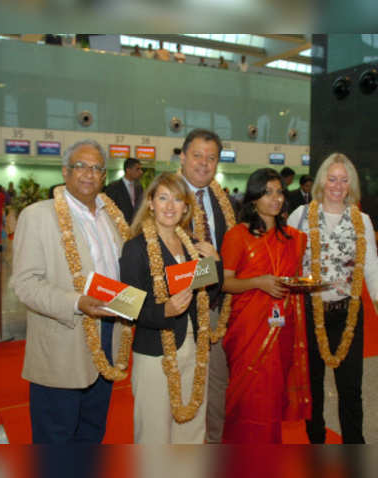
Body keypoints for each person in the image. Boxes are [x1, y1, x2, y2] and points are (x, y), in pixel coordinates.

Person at [10, 139, 131, 444]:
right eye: (81, 166)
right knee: (56, 437)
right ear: (65, 171)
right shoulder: (37, 216)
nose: (89, 174)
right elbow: (25, 284)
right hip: (63, 341)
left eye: (96, 168)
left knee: (92, 431)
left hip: (109, 333)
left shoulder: (112, 218)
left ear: (104, 175)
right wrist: (77, 302)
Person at [287, 152, 378, 444]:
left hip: (348, 313)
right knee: (313, 387)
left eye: (343, 180)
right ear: (322, 181)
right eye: (332, 179)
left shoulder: (362, 220)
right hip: (310, 313)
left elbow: (371, 263)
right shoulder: (301, 215)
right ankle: (316, 440)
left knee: (351, 388)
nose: (337, 185)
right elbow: (288, 261)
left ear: (351, 185)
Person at [120, 172, 222, 443]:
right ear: (150, 203)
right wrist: (163, 310)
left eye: (177, 199)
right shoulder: (136, 247)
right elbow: (127, 305)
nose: (169, 206)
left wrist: (215, 262)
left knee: (191, 428)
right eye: (162, 198)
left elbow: (210, 288)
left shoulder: (191, 246)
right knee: (154, 431)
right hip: (155, 351)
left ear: (186, 207)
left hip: (194, 346)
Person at [220, 168, 311, 443]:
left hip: (281, 329)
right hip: (248, 330)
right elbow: (225, 283)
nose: (276, 198)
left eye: (279, 192)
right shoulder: (238, 235)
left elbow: (293, 278)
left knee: (271, 399)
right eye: (268, 192)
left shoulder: (294, 239)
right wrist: (258, 282)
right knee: (249, 399)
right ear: (254, 198)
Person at [179, 128, 237, 443]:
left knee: (217, 388)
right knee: (183, 392)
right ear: (183, 157)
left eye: (211, 157)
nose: (204, 163)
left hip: (217, 310)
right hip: (178, 313)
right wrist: (212, 267)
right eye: (198, 155)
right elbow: (162, 264)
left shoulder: (219, 198)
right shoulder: (166, 196)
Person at [104, 157, 144, 224]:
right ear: (128, 170)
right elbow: (109, 209)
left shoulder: (139, 188)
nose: (141, 172)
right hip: (119, 226)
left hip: (135, 227)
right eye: (137, 169)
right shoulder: (113, 187)